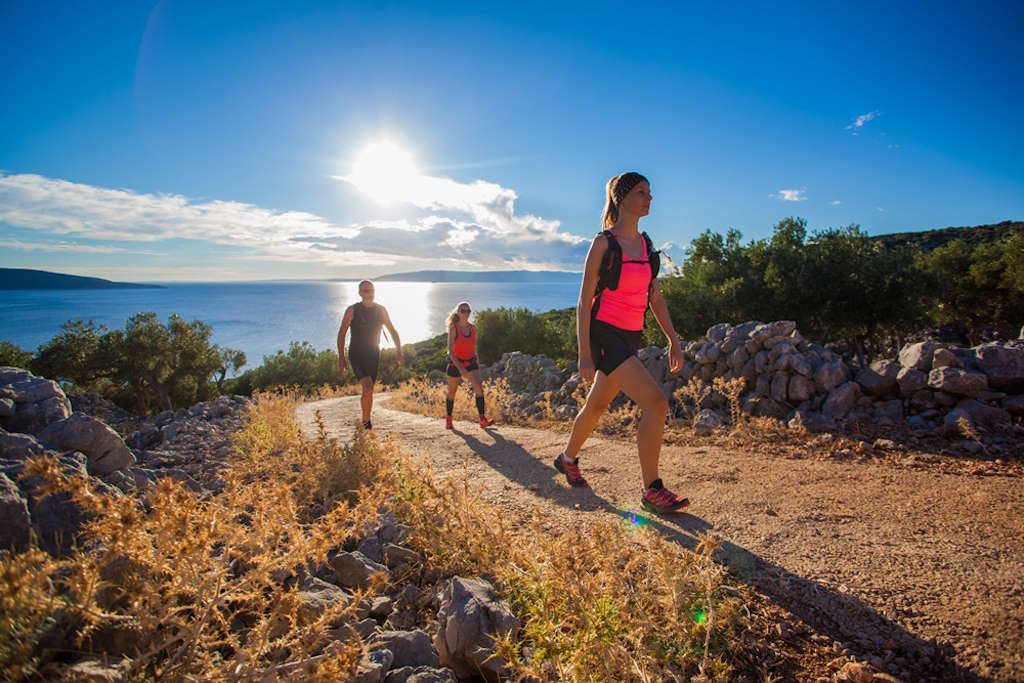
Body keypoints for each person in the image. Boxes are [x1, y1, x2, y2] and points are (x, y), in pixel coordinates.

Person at [553, 171, 689, 514]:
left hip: (630, 337)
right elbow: (584, 302)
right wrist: (585, 353)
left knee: (597, 405)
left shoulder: (646, 246)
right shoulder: (604, 244)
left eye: (650, 193)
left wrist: (673, 339)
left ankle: (567, 458)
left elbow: (654, 297)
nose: (649, 198)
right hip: (604, 335)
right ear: (622, 198)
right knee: (656, 404)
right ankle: (651, 490)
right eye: (642, 192)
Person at [337, 280, 402, 430]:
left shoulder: (381, 310)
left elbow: (393, 331)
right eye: (366, 291)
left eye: (371, 290)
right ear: (360, 293)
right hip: (356, 354)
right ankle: (366, 424)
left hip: (373, 354)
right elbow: (341, 334)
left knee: (370, 388)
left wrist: (399, 351)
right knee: (367, 385)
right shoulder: (352, 310)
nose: (369, 293)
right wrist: (341, 357)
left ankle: (365, 418)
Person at [443, 301, 495, 429]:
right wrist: (461, 369)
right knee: (452, 392)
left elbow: (473, 347)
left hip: (471, 362)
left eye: (468, 311)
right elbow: (450, 352)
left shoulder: (473, 328)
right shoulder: (453, 328)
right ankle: (449, 419)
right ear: (458, 313)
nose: (466, 313)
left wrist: (476, 363)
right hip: (456, 364)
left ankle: (482, 419)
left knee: (479, 388)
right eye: (463, 311)